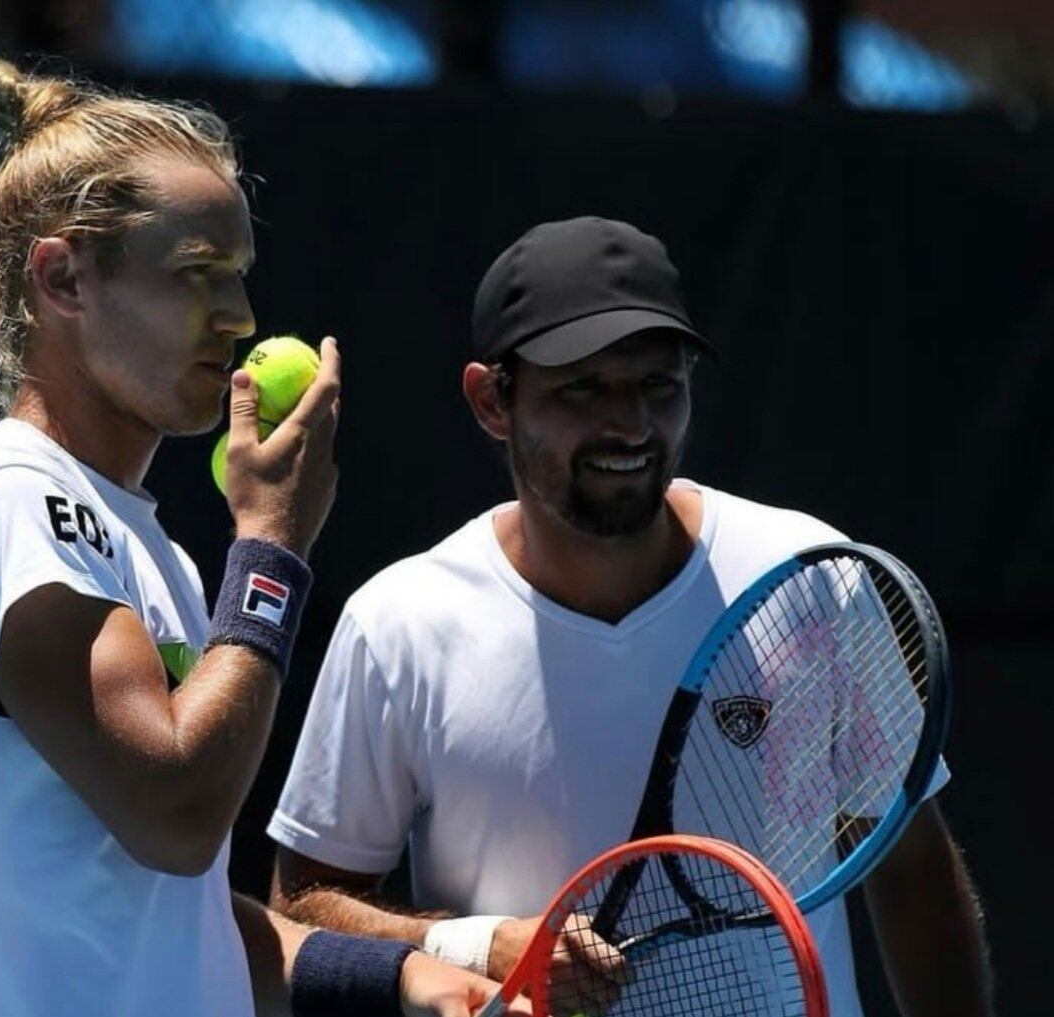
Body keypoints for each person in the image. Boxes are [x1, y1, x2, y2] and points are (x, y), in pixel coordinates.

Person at [0, 58, 527, 1017]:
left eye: (241, 277)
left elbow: (176, 914)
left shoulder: (162, 561)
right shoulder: (6, 494)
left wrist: (405, 973)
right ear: (63, 278)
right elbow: (175, 813)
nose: (241, 317)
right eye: (196, 275)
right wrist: (273, 548)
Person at [267, 217, 995, 1016]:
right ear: (490, 400)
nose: (632, 426)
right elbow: (302, 904)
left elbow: (911, 871)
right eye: (584, 388)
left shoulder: (820, 582)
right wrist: (484, 945)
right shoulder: (398, 623)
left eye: (659, 385)